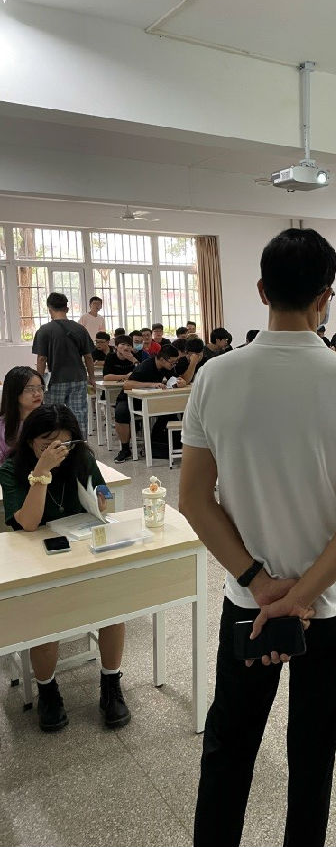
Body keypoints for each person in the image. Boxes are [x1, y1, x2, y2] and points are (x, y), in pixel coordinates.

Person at [180, 227, 336, 847]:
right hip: (330, 602)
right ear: (326, 298)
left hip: (249, 601)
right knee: (314, 751)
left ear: (261, 289)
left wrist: (262, 583)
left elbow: (194, 499)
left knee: (229, 745)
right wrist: (300, 597)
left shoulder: (215, 377)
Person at [0, 405, 131, 731]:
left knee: (114, 608)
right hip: (36, 556)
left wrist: (101, 499)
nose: (58, 451)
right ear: (30, 441)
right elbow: (29, 523)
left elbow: (102, 492)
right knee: (46, 621)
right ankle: (47, 690)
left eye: (64, 444)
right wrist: (42, 471)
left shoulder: (80, 457)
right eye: (47, 444)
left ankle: (111, 683)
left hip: (81, 549)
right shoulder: (12, 468)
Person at [32, 292, 95, 437]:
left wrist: (39, 382)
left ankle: (53, 443)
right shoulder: (80, 329)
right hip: (78, 379)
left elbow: (41, 359)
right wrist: (91, 377)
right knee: (78, 415)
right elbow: (88, 357)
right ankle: (79, 444)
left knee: (53, 415)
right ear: (66, 308)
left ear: (49, 309)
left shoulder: (44, 330)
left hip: (55, 380)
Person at [113, 345, 183, 463]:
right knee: (121, 412)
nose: (173, 365)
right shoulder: (145, 366)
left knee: (169, 412)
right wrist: (151, 384)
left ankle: (154, 444)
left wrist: (181, 382)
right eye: (172, 362)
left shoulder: (167, 367)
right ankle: (125, 449)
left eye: (175, 362)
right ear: (162, 359)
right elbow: (127, 385)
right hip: (129, 398)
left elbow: (175, 379)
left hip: (149, 398)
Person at [0, 366, 45, 463]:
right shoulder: (2, 426)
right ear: (14, 392)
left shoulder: (49, 419)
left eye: (40, 388)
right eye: (30, 389)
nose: (37, 394)